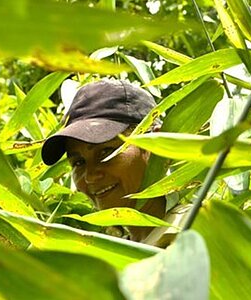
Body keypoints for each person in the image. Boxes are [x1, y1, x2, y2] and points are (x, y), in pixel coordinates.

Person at [42, 79, 189, 248]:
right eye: (78, 162)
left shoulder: (197, 230)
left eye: (106, 152)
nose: (90, 176)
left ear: (155, 144)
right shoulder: (119, 252)